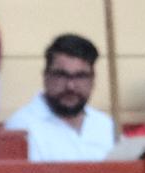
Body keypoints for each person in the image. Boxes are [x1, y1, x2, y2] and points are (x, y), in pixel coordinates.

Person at [7, 34, 113, 163]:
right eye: (62, 75)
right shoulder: (22, 128)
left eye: (80, 76)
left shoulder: (105, 125)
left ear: (92, 80)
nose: (70, 86)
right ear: (45, 76)